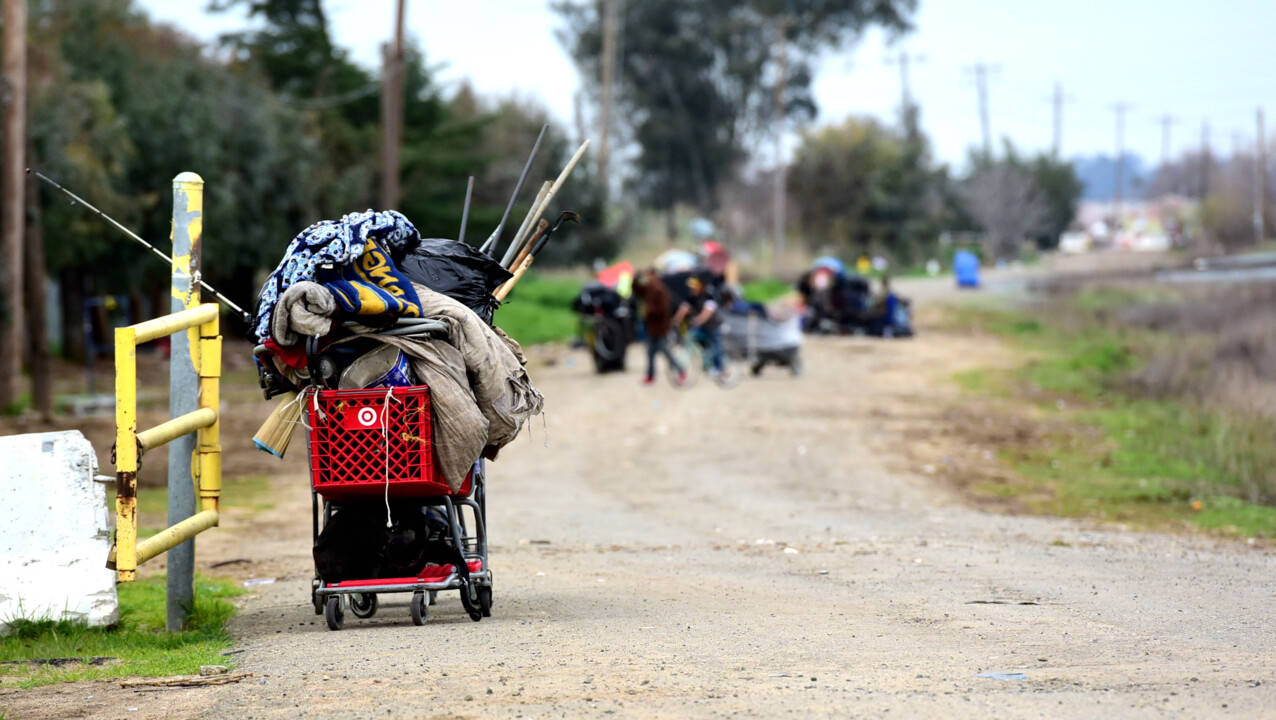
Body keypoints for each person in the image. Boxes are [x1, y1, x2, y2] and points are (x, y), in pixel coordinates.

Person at [631, 269, 686, 386]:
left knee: (665, 351)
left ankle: (680, 370)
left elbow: (664, 309)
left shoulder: (660, 290)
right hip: (651, 328)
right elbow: (636, 290)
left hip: (661, 328)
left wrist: (650, 311)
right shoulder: (648, 289)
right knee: (650, 352)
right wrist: (636, 277)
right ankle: (650, 375)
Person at [671, 275, 726, 375]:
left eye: (695, 286)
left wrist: (697, 320)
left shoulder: (709, 295)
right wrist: (675, 320)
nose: (692, 289)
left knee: (715, 344)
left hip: (714, 325)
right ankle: (706, 361)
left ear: (701, 286)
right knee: (696, 338)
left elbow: (707, 312)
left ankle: (719, 368)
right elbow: (684, 308)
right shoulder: (692, 297)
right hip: (704, 325)